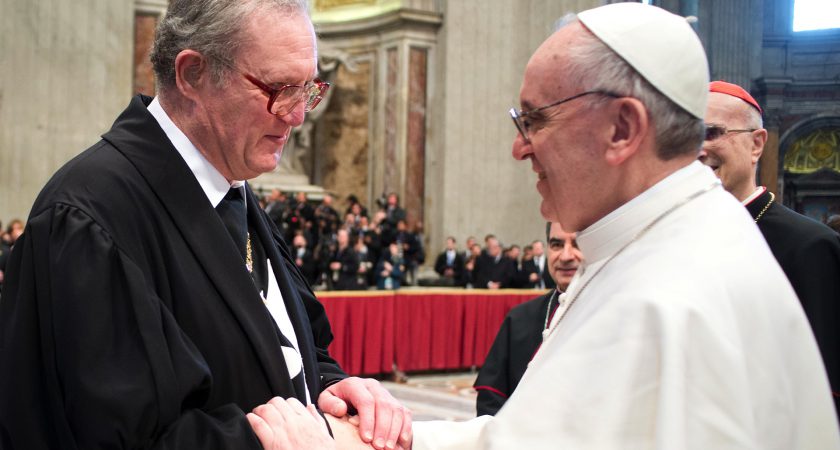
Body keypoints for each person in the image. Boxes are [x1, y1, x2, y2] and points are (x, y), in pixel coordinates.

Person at [409, 3, 836, 448]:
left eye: (534, 120)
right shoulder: (657, 242)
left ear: (623, 127)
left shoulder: (673, 294)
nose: (520, 148)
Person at [0, 1, 411, 449]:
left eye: (308, 89)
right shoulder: (89, 216)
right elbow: (106, 436)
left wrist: (329, 388)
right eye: (279, 88)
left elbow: (279, 344)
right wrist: (258, 443)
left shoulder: (230, 185)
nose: (297, 114)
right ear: (193, 74)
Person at [700, 79, 840, 415]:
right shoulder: (675, 238)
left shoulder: (811, 247)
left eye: (713, 132)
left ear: (756, 144)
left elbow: (826, 385)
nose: (699, 149)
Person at [474, 222, 581, 416]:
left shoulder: (622, 314)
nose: (566, 256)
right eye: (556, 245)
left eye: (578, 244)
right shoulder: (520, 318)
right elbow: (491, 399)